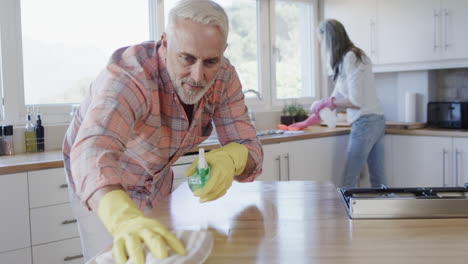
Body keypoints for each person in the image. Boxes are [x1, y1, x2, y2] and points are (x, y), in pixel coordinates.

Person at [62, 0, 264, 263]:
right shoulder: (131, 75)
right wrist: (122, 218)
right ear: (166, 43)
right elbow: (92, 150)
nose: (198, 75)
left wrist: (232, 157)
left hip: (156, 179)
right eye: (187, 59)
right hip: (104, 188)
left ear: (223, 52)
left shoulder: (224, 77)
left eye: (211, 61)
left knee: (165, 255)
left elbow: (251, 149)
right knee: (117, 256)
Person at [293, 19, 385, 188]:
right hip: (376, 119)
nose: (322, 46)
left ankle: (345, 214)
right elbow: (334, 100)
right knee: (378, 181)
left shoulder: (351, 57)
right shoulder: (345, 60)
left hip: (366, 122)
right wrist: (307, 121)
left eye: (321, 41)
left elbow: (355, 101)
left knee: (349, 180)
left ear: (329, 39)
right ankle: (381, 212)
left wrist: (328, 102)